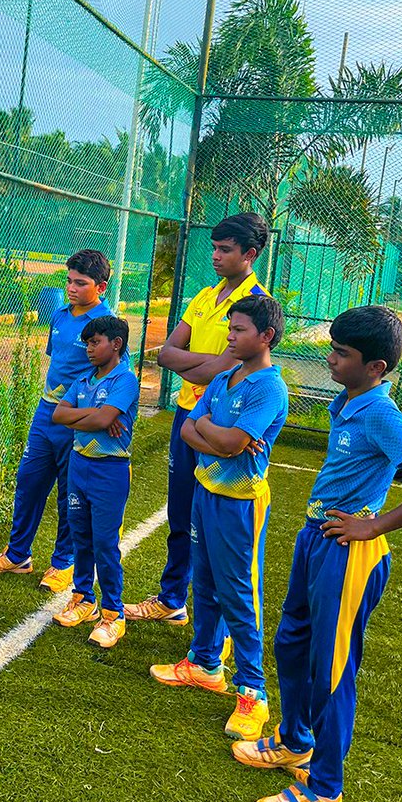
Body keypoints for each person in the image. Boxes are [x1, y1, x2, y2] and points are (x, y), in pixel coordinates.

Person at [232, 306, 402, 802]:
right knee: (292, 642)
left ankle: (325, 792)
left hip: (348, 550)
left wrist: (372, 526)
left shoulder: (380, 411)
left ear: (376, 367)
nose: (330, 359)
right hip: (316, 538)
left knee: (332, 669)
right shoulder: (347, 400)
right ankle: (295, 741)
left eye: (342, 353)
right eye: (332, 347)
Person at [150, 295, 288, 741]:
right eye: (229, 328)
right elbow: (193, 429)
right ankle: (206, 664)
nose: (230, 337)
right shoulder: (226, 375)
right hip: (207, 494)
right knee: (204, 584)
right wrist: (217, 434)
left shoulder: (269, 388)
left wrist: (213, 433)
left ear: (265, 336)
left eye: (239, 330)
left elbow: (226, 441)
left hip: (240, 504)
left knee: (239, 595)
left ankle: (253, 693)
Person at [126, 213, 270, 626]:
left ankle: (220, 625)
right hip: (189, 413)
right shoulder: (205, 296)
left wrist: (196, 366)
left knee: (215, 524)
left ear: (250, 254)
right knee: (181, 512)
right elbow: (167, 354)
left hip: (225, 420)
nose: (216, 256)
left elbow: (223, 368)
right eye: (214, 248)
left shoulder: (254, 305)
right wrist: (205, 366)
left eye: (225, 250)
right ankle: (173, 598)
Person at [0, 250, 113, 592]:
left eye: (80, 283)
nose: (71, 288)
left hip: (77, 420)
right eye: (68, 280)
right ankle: (18, 554)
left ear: (101, 286)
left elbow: (108, 376)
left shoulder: (107, 326)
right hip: (46, 412)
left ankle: (62, 563)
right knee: (29, 481)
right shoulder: (59, 316)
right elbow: (59, 363)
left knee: (70, 494)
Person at [50, 315, 140, 648]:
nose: (88, 349)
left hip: (109, 470)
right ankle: (84, 599)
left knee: (105, 542)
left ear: (116, 344)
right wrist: (97, 419)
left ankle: (113, 614)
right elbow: (59, 415)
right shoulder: (84, 379)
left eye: (95, 342)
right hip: (79, 465)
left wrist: (98, 418)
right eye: (87, 343)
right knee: (80, 535)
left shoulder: (125, 380)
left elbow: (102, 418)